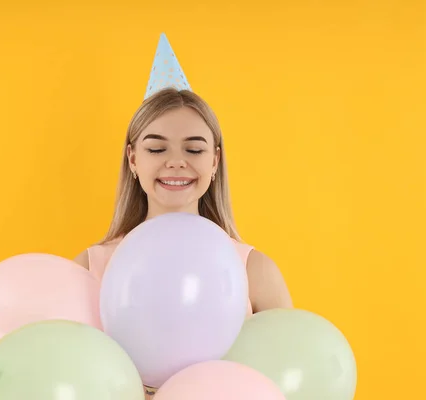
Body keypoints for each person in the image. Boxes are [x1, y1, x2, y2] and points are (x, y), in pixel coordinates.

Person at [73, 34, 292, 399]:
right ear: (133, 160)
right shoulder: (89, 269)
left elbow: (285, 373)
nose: (176, 161)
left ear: (214, 162)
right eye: (157, 147)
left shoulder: (256, 271)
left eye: (194, 148)